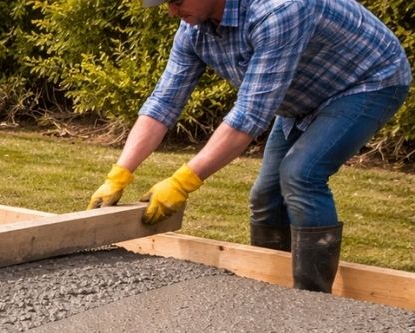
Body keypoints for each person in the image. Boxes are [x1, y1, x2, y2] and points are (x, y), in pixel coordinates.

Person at [88, 0, 410, 292]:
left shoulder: (278, 10)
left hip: (368, 81)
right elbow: (163, 102)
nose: (172, 11)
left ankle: (313, 300)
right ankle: (270, 289)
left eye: (176, 0)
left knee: (301, 174)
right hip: (303, 96)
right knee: (266, 196)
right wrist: (120, 173)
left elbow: (250, 115)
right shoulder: (193, 31)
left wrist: (183, 182)